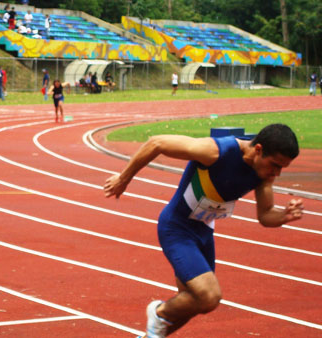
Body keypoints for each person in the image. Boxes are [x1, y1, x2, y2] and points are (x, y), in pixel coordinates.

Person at [103, 123, 303, 338]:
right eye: (275, 165)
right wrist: (123, 179)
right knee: (209, 297)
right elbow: (157, 143)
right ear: (258, 150)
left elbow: (265, 215)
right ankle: (158, 311)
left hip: (204, 232)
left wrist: (284, 216)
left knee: (193, 303)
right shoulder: (216, 151)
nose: (277, 173)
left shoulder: (263, 175)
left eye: (282, 168)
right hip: (177, 227)